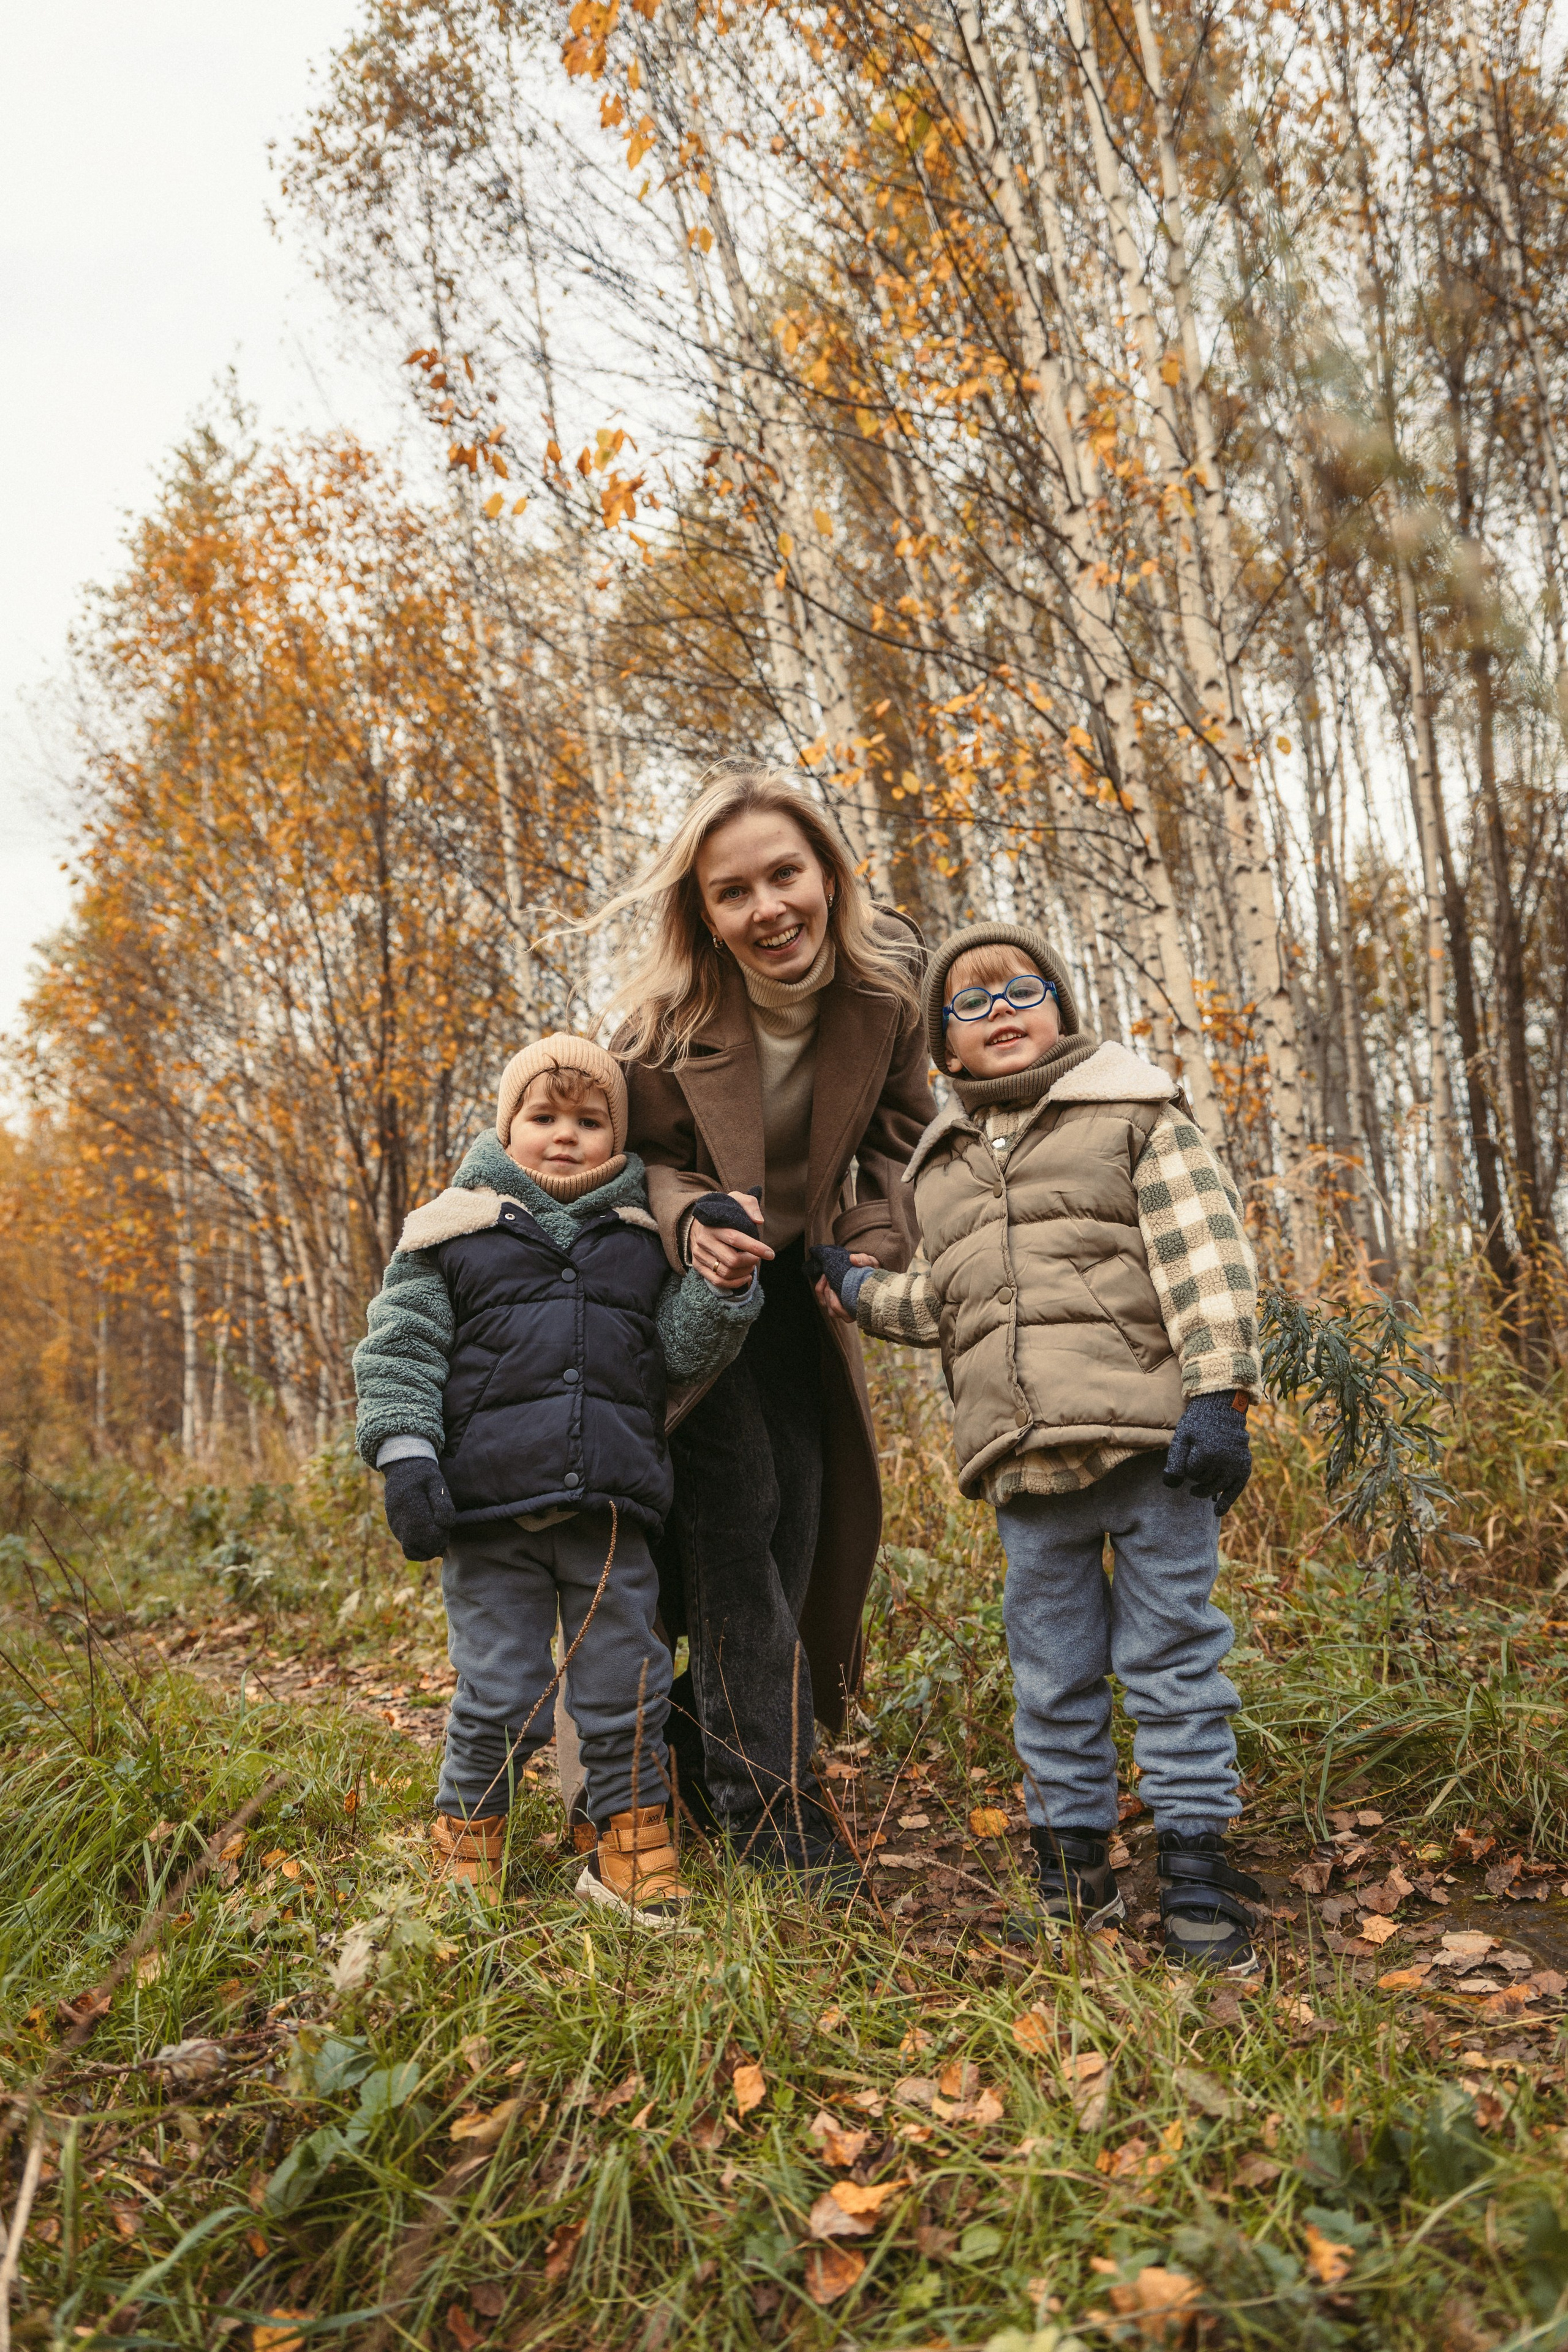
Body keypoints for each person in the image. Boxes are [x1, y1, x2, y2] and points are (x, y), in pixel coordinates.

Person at [809, 921, 1266, 1970]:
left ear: (1061, 1005)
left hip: (1151, 1447)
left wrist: (1219, 1394)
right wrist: (859, 1288)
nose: (1001, 1012)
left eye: (1023, 990)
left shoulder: (1132, 1111)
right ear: (945, 1048)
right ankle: (1074, 1869)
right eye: (970, 1004)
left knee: (1172, 1659)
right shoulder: (942, 1165)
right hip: (1023, 1462)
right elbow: (950, 1303)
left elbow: (1206, 1258)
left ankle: (1197, 1863)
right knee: (1050, 1674)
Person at [570, 766, 935, 1889]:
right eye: (734, 892)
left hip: (803, 1299)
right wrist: (695, 1222)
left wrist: (867, 1243)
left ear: (829, 873)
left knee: (801, 1540)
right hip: (693, 1309)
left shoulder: (888, 993)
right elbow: (634, 1161)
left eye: (786, 875)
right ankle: (771, 1812)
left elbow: (903, 1137)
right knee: (736, 1532)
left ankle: (682, 1751)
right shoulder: (665, 1024)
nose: (768, 909)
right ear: (704, 913)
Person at [350, 1033, 760, 1928]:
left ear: (619, 1138)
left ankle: (630, 1849)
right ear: (508, 1128)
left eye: (589, 1120)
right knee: (501, 1693)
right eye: (543, 1116)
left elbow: (678, 1354)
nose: (565, 1135)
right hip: (490, 1516)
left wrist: (721, 1292)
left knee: (627, 1691)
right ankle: (467, 1847)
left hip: (609, 1517)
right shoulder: (451, 1231)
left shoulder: (643, 1241)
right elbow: (400, 1349)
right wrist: (406, 1455)